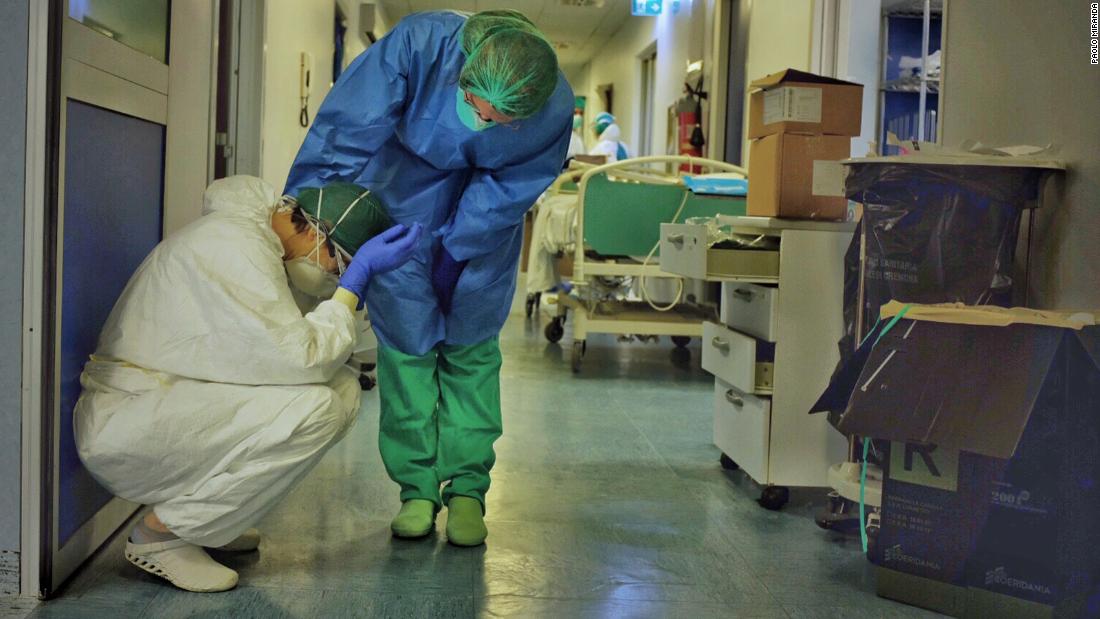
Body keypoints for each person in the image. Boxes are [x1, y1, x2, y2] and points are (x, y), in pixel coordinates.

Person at [284, 9, 573, 547]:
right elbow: (348, 125)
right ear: (463, 75)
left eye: (498, 121)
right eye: (473, 107)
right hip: (400, 193)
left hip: (486, 218)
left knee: (471, 351)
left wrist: (460, 248)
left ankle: (467, 489)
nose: (480, 122)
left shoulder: (551, 103)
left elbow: (513, 185)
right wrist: (307, 210)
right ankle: (416, 490)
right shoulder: (423, 44)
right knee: (407, 351)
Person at [74, 176, 422, 592]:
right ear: (314, 231)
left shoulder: (258, 242)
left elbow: (287, 353)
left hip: (162, 398)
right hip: (125, 421)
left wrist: (347, 293)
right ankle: (160, 536)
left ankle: (204, 521)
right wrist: (348, 292)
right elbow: (301, 359)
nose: (336, 276)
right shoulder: (236, 248)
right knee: (318, 408)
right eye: (340, 264)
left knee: (342, 389)